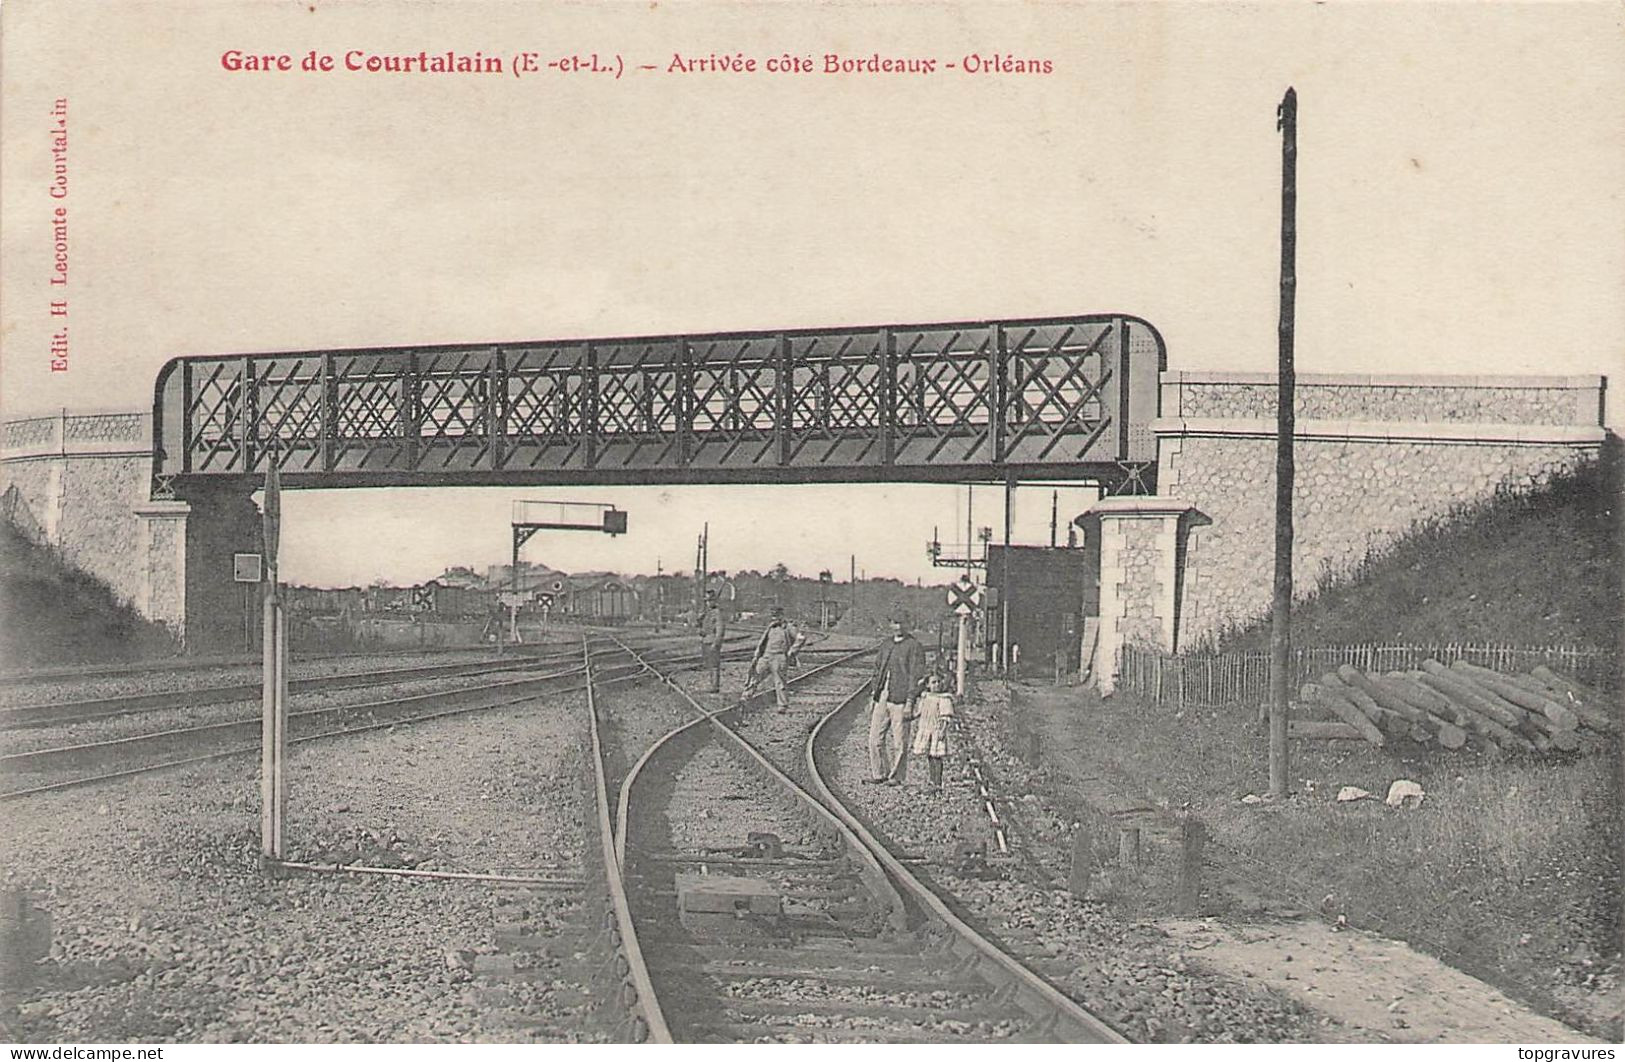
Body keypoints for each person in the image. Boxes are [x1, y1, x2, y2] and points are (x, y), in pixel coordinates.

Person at [867, 618, 927, 785]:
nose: (898, 627)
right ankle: (879, 773)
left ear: (908, 625)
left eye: (902, 623)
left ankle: (896, 777)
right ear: (890, 625)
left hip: (901, 698)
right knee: (874, 739)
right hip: (883, 695)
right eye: (895, 623)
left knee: (899, 741)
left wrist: (910, 701)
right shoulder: (886, 644)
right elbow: (877, 669)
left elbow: (916, 675)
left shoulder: (914, 646)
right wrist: (874, 694)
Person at [744, 606, 805, 713]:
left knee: (780, 682)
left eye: (776, 615)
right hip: (766, 656)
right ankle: (745, 698)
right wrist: (757, 656)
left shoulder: (789, 627)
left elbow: (801, 639)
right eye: (773, 616)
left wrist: (792, 652)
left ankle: (782, 706)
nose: (774, 618)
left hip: (779, 657)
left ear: (782, 615)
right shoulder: (770, 627)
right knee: (755, 676)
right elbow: (763, 643)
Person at [911, 671, 955, 789]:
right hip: (926, 729)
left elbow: (946, 717)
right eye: (933, 682)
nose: (936, 685)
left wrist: (943, 730)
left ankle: (938, 782)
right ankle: (932, 780)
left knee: (937, 756)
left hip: (937, 730)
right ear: (928, 685)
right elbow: (919, 712)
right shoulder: (925, 697)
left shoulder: (944, 699)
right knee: (930, 755)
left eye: (938, 682)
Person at [698, 589, 726, 693]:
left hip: (712, 642)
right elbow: (703, 628)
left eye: (710, 601)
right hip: (706, 641)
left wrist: (716, 643)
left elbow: (720, 630)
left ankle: (715, 687)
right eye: (706, 601)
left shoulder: (717, 613)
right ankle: (712, 685)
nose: (708, 603)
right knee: (709, 665)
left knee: (714, 665)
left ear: (715, 601)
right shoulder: (707, 613)